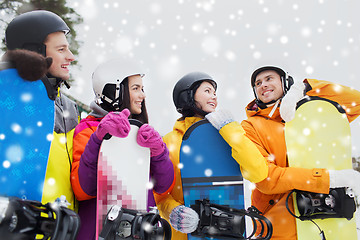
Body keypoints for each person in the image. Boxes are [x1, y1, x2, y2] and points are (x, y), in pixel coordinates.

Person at [241, 65, 360, 239]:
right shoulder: (251, 126)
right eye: (258, 83)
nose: (262, 85)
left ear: (285, 82)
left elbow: (355, 102)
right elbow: (267, 178)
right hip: (278, 227)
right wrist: (328, 179)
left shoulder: (312, 115)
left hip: (327, 223)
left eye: (269, 79)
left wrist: (305, 87)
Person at [154, 71, 269, 239]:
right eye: (207, 91)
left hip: (228, 231)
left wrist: (230, 130)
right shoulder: (170, 142)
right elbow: (160, 195)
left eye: (215, 93)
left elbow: (258, 172)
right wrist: (174, 212)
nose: (214, 97)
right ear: (188, 96)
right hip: (186, 235)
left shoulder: (228, 136)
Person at [70, 58, 175, 240]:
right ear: (114, 91)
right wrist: (98, 139)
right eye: (136, 89)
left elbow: (164, 187)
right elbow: (83, 189)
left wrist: (159, 153)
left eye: (142, 89)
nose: (142, 95)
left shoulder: (142, 134)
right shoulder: (88, 129)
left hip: (139, 231)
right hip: (98, 232)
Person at [4, 10, 79, 210]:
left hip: (61, 227)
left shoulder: (70, 108)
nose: (70, 57)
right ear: (34, 51)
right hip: (17, 226)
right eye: (61, 49)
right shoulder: (6, 100)